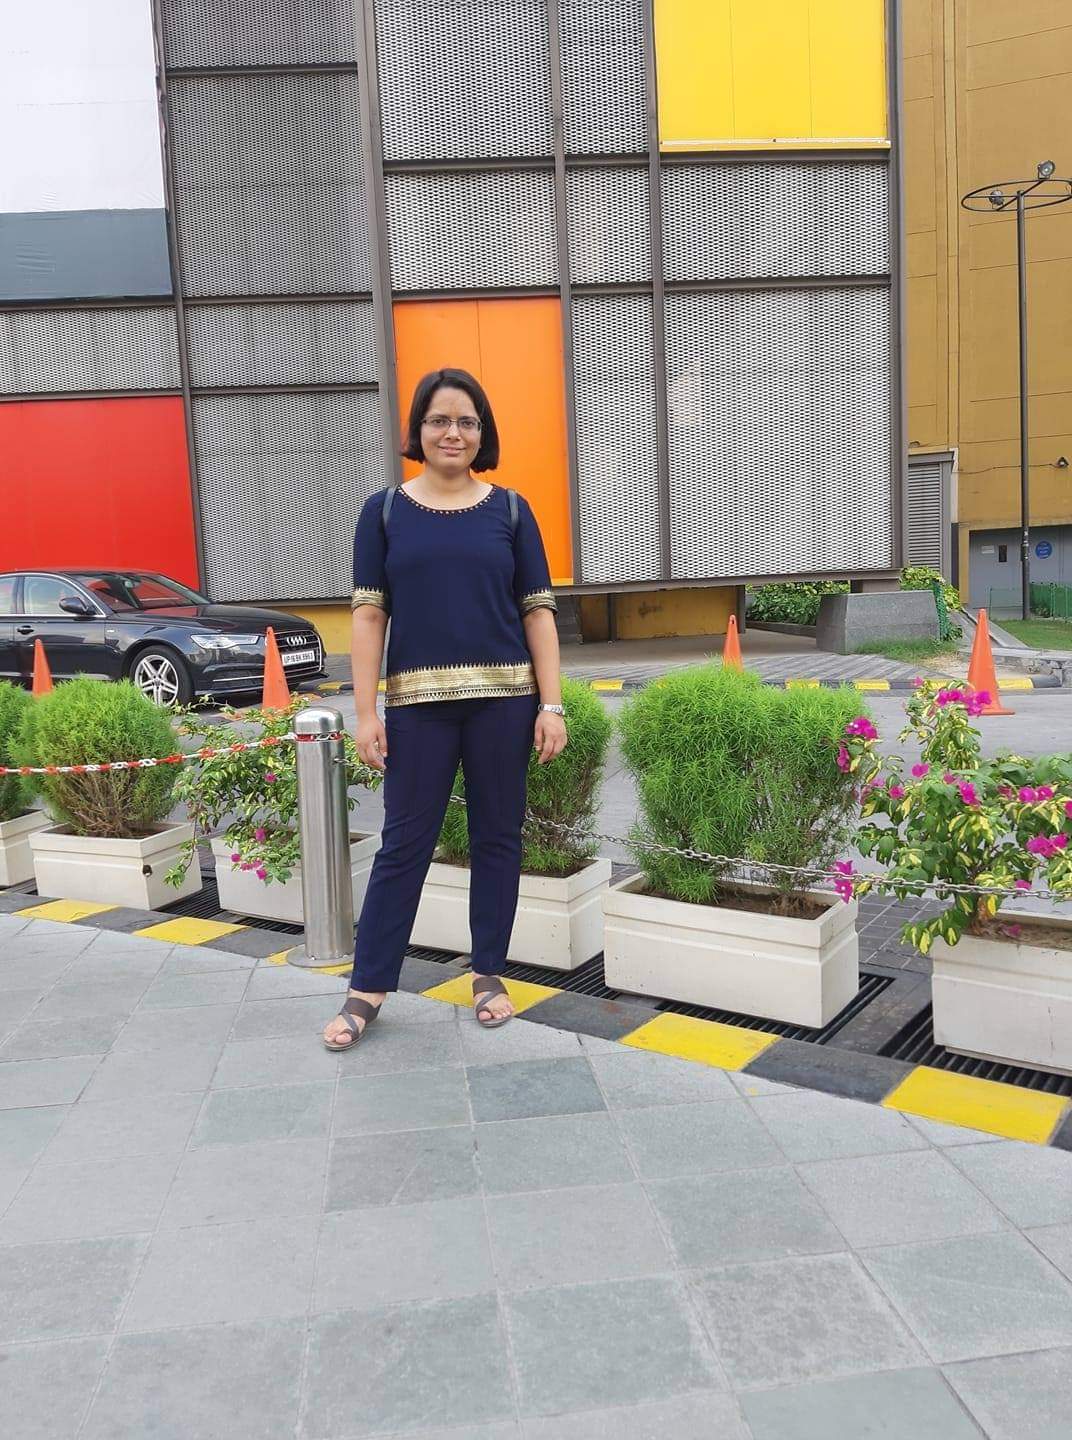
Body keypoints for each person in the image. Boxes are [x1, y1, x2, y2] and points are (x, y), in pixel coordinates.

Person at [322, 368, 567, 1049]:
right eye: (438, 420)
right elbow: (368, 617)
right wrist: (365, 713)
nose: (452, 432)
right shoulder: (384, 512)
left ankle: (488, 974)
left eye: (465, 421)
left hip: (504, 706)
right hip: (417, 710)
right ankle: (368, 988)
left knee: (497, 840)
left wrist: (552, 705)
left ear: (481, 433)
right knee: (404, 845)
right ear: (418, 430)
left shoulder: (511, 511)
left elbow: (538, 615)